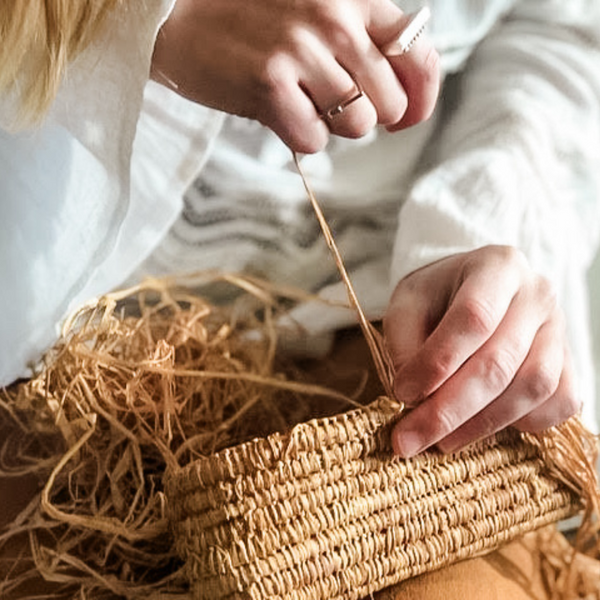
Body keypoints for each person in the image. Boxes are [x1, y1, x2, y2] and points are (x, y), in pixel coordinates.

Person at [0, 0, 599, 596]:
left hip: (382, 299)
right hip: (61, 318)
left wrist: (483, 228)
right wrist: (150, 20)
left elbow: (558, 34)